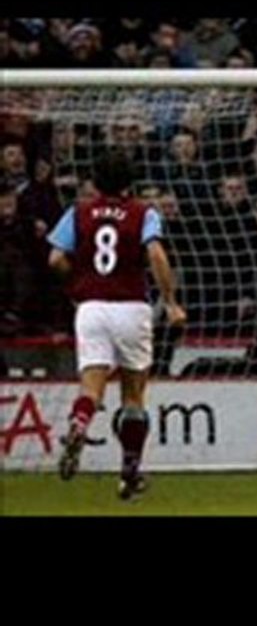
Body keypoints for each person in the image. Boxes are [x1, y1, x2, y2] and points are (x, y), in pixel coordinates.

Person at [46, 149, 186, 500]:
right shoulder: (143, 212)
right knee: (133, 396)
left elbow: (55, 257)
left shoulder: (78, 212)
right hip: (131, 307)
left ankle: (79, 423)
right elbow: (155, 253)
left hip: (91, 308)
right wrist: (170, 302)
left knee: (91, 388)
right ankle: (129, 473)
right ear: (130, 182)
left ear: (95, 182)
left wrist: (78, 282)